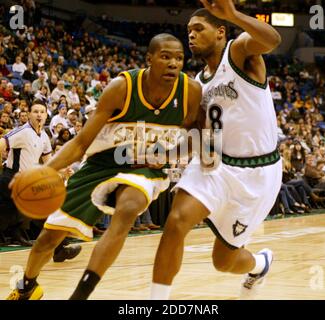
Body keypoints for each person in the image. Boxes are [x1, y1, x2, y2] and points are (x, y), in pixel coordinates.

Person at [7, 33, 202, 300]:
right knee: (48, 240)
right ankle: (28, 286)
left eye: (179, 58)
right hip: (100, 164)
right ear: (149, 59)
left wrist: (172, 155)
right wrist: (44, 170)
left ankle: (79, 295)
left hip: (146, 168)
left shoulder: (190, 91)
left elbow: (197, 135)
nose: (173, 64)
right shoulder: (121, 87)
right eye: (165, 56)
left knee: (129, 206)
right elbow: (81, 143)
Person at [150, 0, 283, 300]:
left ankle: (259, 264)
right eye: (188, 31)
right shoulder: (197, 85)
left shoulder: (238, 53)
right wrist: (161, 154)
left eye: (199, 28)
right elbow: (199, 137)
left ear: (221, 32)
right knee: (176, 221)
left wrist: (234, 14)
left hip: (259, 174)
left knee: (223, 262)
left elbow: (273, 40)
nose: (191, 35)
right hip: (216, 166)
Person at [0, 100, 81, 256]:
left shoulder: (43, 136)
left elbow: (49, 161)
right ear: (29, 114)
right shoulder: (22, 131)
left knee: (22, 213)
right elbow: (2, 142)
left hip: (27, 181)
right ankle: (59, 249)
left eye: (42, 112)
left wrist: (62, 171)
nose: (39, 115)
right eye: (35, 111)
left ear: (46, 115)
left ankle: (58, 249)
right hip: (11, 179)